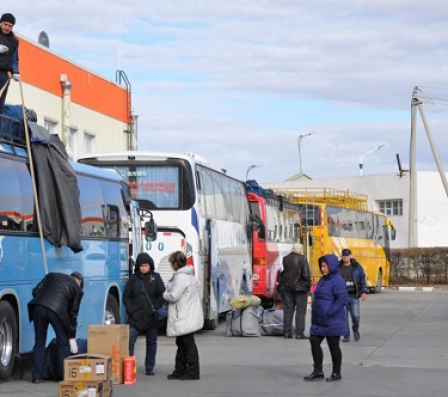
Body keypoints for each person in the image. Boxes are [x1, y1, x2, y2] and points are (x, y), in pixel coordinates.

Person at [27, 271, 84, 384]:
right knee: (63, 343)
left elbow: (35, 291)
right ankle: (65, 376)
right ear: (79, 283)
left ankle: (37, 377)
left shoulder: (52, 275)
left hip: (38, 308)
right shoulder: (78, 290)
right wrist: (72, 336)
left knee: (39, 342)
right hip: (57, 312)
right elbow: (73, 314)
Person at [304, 254, 348, 382]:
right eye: (321, 266)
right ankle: (318, 370)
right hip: (319, 320)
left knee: (333, 346)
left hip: (331, 320)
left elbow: (342, 299)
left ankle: (336, 372)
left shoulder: (338, 281)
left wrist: (330, 312)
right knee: (314, 341)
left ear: (332, 266)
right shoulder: (323, 280)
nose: (323, 269)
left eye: (325, 266)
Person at [123, 252, 166, 376]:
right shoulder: (133, 278)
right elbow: (126, 296)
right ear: (138, 266)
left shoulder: (156, 277)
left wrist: (156, 307)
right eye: (141, 266)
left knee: (151, 342)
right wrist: (130, 310)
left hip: (151, 318)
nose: (143, 268)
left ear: (150, 265)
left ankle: (150, 367)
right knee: (129, 342)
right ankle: (128, 366)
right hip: (135, 317)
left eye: (146, 265)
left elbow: (161, 294)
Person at [163, 251, 204, 380]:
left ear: (175, 263)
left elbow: (174, 296)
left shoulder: (180, 277)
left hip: (183, 315)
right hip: (188, 313)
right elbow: (197, 286)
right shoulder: (189, 275)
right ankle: (180, 370)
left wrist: (164, 294)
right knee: (182, 342)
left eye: (171, 263)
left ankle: (191, 371)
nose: (171, 265)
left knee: (186, 343)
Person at [281, 242, 311, 339]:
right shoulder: (302, 259)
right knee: (301, 311)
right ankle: (299, 333)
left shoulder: (285, 259)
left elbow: (283, 272)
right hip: (300, 289)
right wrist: (308, 286)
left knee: (288, 310)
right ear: (300, 250)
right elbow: (306, 274)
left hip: (287, 288)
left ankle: (286, 332)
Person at [339, 248, 368, 342]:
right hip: (342, 297)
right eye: (344, 256)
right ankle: (346, 335)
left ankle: (355, 329)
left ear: (350, 256)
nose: (346, 257)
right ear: (342, 256)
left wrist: (363, 292)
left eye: (347, 255)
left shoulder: (356, 267)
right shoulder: (337, 267)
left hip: (353, 296)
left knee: (355, 316)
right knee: (343, 317)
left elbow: (362, 280)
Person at [0, 12, 19, 114]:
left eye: (10, 26)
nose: (7, 28)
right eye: (5, 24)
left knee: (0, 104)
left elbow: (14, 59)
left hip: (4, 74)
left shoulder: (14, 41)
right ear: (1, 23)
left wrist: (16, 72)